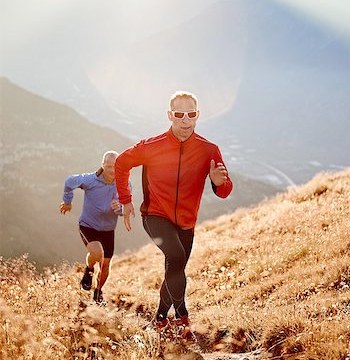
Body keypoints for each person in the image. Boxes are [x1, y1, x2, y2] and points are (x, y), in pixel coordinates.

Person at [115, 91, 233, 334]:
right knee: (177, 258)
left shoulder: (208, 149)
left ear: (197, 115)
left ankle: (159, 319)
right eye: (179, 114)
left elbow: (224, 191)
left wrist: (219, 182)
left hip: (186, 223)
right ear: (170, 115)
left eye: (190, 114)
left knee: (174, 267)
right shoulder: (151, 146)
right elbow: (121, 164)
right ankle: (182, 317)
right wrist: (126, 200)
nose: (185, 119)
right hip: (155, 215)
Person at [59, 151, 123, 304]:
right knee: (98, 254)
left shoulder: (123, 184)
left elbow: (125, 208)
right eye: (108, 166)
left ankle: (98, 292)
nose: (112, 170)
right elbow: (69, 182)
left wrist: (119, 208)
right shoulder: (90, 180)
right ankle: (89, 268)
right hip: (88, 225)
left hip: (108, 230)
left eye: (115, 167)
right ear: (102, 165)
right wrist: (67, 202)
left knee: (106, 263)